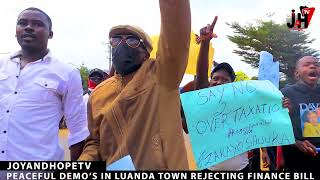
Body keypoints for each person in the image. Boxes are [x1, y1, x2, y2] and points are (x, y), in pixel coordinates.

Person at [79, 0, 191, 170]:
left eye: (131, 40)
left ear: (146, 52)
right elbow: (95, 143)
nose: (121, 45)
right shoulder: (99, 93)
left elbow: (175, 30)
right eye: (116, 40)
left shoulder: (162, 76)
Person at [194, 17, 289, 171]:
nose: (218, 82)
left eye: (224, 80)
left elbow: (260, 124)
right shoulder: (206, 104)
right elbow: (201, 76)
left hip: (242, 169)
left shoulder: (243, 105)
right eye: (215, 79)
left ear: (232, 85)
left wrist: (280, 108)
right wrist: (205, 43)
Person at [0, 7, 88, 161]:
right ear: (16, 31)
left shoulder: (66, 73)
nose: (28, 27)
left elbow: (78, 131)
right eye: (23, 23)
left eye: (37, 24)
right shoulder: (1, 65)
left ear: (51, 34)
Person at [281, 56, 320, 170]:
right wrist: (296, 142)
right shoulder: (285, 93)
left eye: (316, 64)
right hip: (296, 159)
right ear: (297, 73)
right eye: (307, 64)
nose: (313, 66)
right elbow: (276, 127)